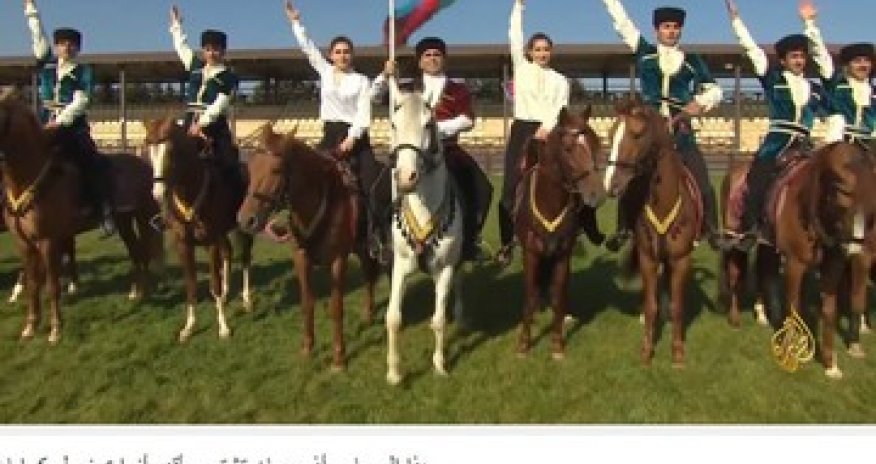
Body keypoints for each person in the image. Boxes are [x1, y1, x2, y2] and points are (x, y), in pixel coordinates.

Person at [600, 0, 724, 251]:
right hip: (649, 131)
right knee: (631, 174)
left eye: (675, 27)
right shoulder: (645, 52)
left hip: (680, 132)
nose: (671, 31)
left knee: (702, 177)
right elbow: (623, 25)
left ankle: (711, 229)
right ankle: (624, 228)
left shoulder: (693, 60)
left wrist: (698, 103)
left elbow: (715, 89)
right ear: (656, 30)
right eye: (666, 27)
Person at [284, 1, 391, 262]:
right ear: (331, 55)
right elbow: (307, 47)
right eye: (338, 51)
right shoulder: (324, 71)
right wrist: (296, 23)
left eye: (346, 52)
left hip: (357, 139)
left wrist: (351, 141)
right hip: (329, 134)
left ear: (352, 55)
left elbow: (364, 116)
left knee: (372, 185)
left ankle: (375, 236)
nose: (342, 55)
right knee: (303, 179)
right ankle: (299, 229)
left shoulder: (361, 81)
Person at [374, 37, 494, 262]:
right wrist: (385, 76)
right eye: (427, 55)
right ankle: (384, 241)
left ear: (444, 59)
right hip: (410, 152)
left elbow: (467, 119)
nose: (432, 59)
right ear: (419, 61)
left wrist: (436, 130)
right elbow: (375, 97)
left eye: (437, 55)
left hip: (449, 151)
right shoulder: (406, 87)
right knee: (378, 190)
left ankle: (469, 240)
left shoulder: (457, 89)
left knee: (483, 189)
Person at [726, 0, 827, 250]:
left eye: (802, 56)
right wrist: (736, 21)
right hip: (777, 143)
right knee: (758, 179)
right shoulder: (773, 79)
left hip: (805, 144)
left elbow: (833, 101)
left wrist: (811, 24)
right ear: (783, 60)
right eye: (794, 56)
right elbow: (752, 50)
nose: (799, 61)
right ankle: (751, 228)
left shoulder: (815, 90)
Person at [496, 0, 584, 267]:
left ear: (552, 52)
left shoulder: (561, 80)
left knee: (575, 180)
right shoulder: (521, 68)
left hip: (550, 131)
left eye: (546, 49)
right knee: (511, 187)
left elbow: (561, 108)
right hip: (523, 130)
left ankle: (583, 229)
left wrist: (547, 128)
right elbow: (514, 34)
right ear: (529, 52)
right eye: (537, 49)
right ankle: (507, 243)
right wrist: (519, 7)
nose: (542, 53)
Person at [24, 0, 115, 234]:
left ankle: (102, 210)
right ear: (56, 47)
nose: (67, 48)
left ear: (78, 48)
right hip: (43, 124)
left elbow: (81, 101)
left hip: (71, 128)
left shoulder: (84, 71)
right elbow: (38, 37)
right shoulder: (46, 65)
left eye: (72, 45)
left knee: (90, 161)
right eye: (63, 44)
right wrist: (32, 12)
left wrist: (60, 121)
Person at [168, 5, 245, 212]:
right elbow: (181, 47)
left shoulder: (229, 77)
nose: (212, 53)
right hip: (189, 121)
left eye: (217, 49)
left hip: (215, 126)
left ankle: (236, 208)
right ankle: (167, 211)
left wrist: (201, 125)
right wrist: (177, 25)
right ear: (203, 50)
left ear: (223, 51)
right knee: (168, 161)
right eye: (208, 49)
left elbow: (219, 105)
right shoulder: (195, 67)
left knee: (230, 163)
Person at [801, 1, 875, 149]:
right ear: (847, 66)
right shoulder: (835, 82)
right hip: (838, 145)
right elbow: (820, 54)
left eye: (867, 61)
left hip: (869, 147)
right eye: (857, 61)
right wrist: (810, 23)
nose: (863, 65)